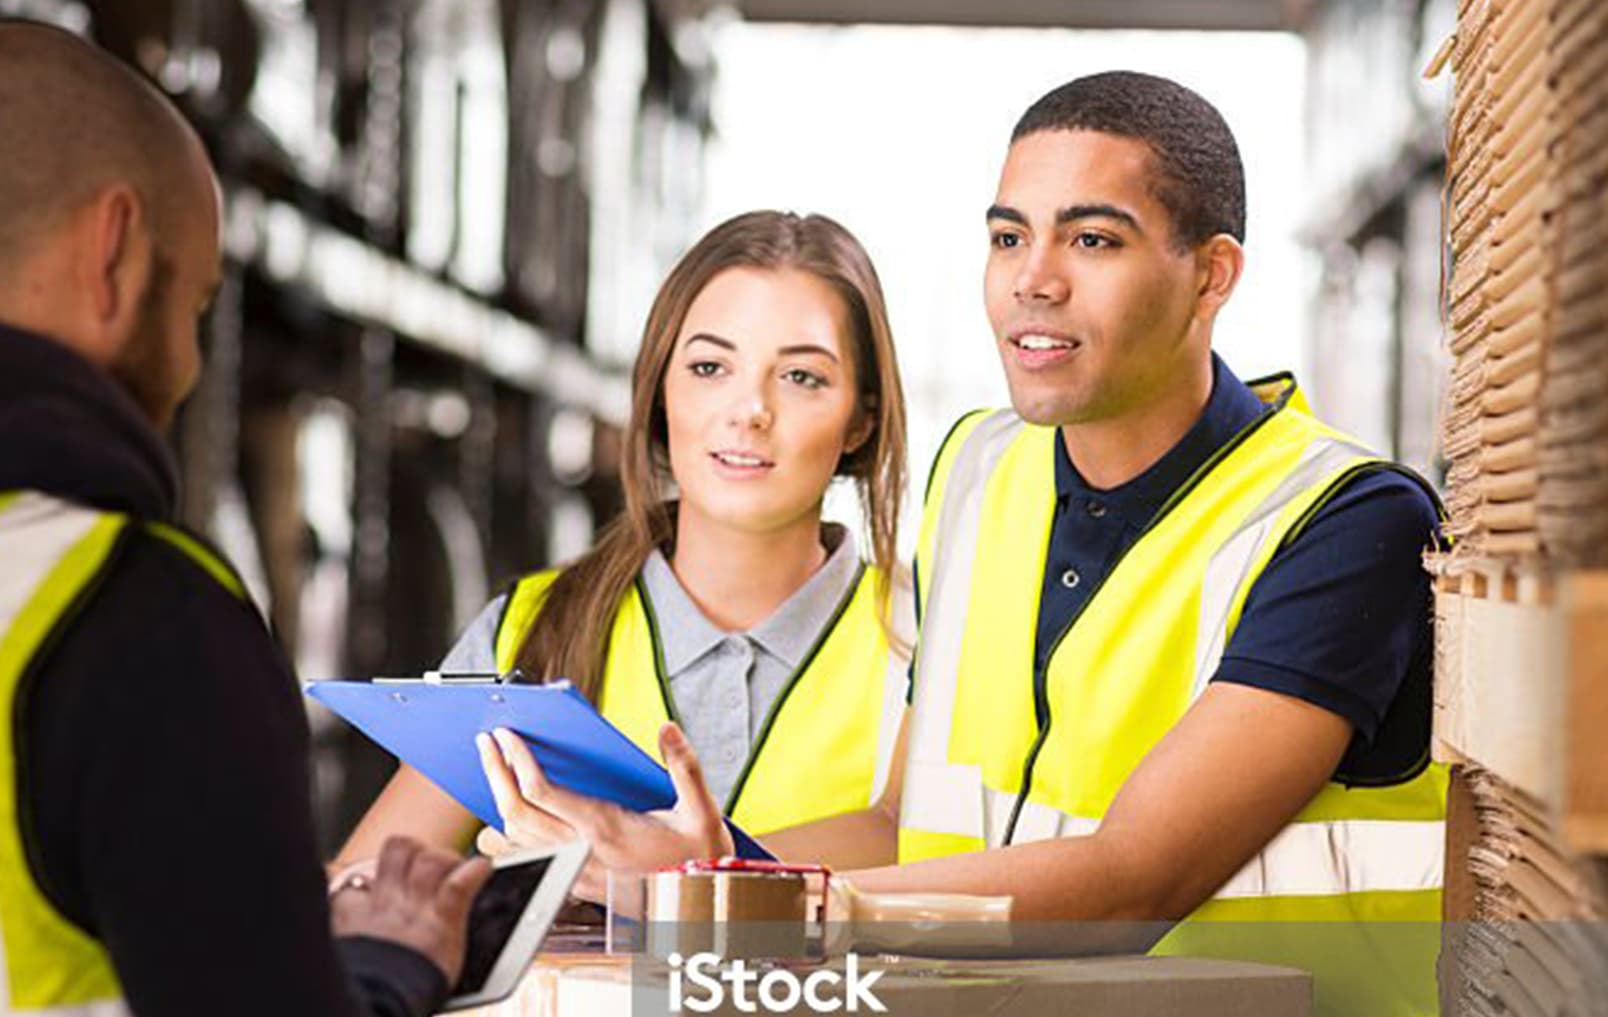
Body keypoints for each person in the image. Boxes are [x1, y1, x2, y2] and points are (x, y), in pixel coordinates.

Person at [468, 73, 1448, 1016]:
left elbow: (1135, 881)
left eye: (1094, 239)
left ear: (1211, 275)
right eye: (1008, 236)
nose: (1035, 281)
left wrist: (721, 908)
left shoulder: (1344, 519)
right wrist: (687, 869)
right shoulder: (980, 470)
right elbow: (902, 825)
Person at [0, 21, 490, 1017]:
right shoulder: (130, 618)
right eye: (193, 305)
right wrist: (385, 965)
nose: (185, 370)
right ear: (115, 252)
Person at [336, 210, 913, 885]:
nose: (750, 409)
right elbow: (358, 889)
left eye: (801, 377)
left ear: (860, 419)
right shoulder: (526, 631)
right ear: (661, 392)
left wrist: (685, 874)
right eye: (709, 366)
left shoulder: (919, 639)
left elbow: (937, 851)